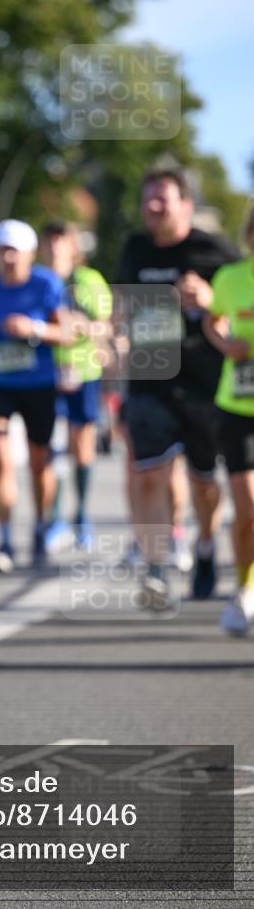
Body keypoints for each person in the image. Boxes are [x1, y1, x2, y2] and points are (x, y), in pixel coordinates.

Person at [115, 166, 239, 606]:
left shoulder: (215, 251)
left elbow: (240, 302)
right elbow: (123, 306)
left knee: (204, 481)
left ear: (185, 205)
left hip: (203, 383)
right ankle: (155, 569)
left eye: (162, 199)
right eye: (147, 199)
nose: (153, 207)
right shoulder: (134, 249)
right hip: (150, 378)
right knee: (148, 472)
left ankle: (205, 546)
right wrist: (113, 338)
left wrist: (208, 299)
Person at [0, 219, 66, 571]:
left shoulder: (47, 284)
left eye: (14, 251)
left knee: (39, 462)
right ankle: (5, 539)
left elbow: (69, 332)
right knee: (1, 455)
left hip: (38, 382)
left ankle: (41, 524)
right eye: (1, 250)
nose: (7, 258)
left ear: (29, 254)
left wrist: (35, 328)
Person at [40, 220, 112, 550]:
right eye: (50, 240)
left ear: (73, 246)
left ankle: (81, 515)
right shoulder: (38, 280)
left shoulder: (89, 280)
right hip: (43, 374)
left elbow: (104, 326)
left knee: (81, 443)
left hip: (82, 372)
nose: (55, 246)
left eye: (61, 240)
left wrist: (82, 327)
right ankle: (53, 519)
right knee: (49, 446)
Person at [203, 205, 254, 633]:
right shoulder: (231, 278)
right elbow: (211, 318)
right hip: (238, 407)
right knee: (248, 509)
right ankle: (243, 592)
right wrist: (225, 343)